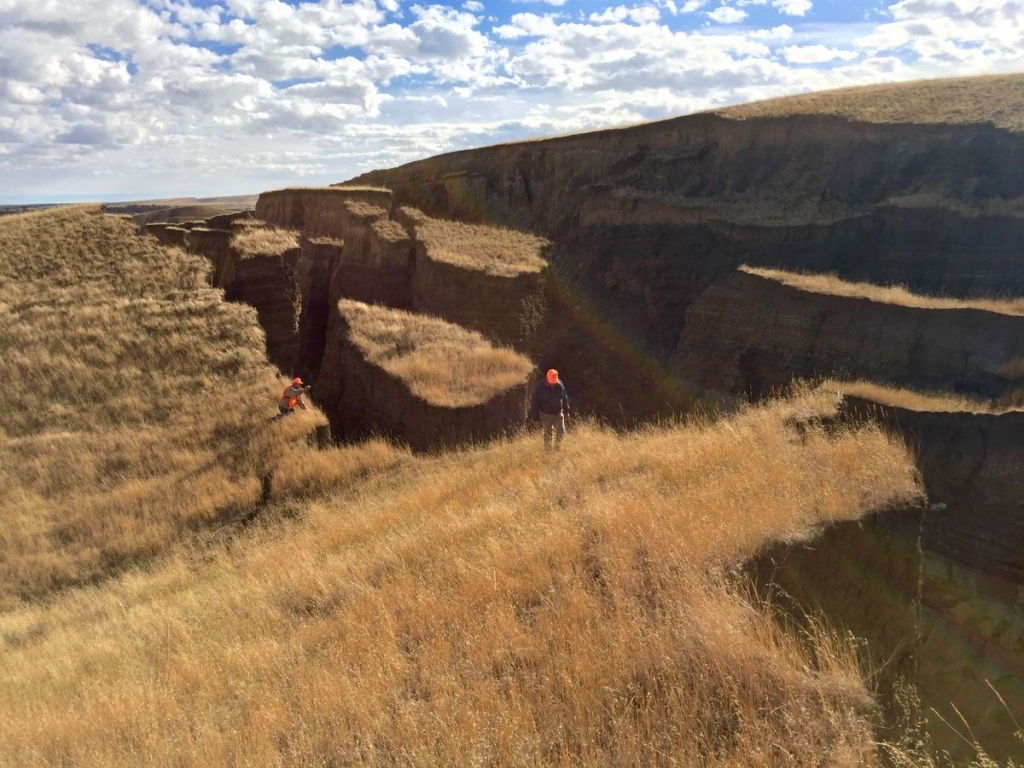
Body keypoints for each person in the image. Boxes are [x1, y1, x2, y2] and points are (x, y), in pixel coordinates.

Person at [530, 368, 570, 449]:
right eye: (551, 382)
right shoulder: (540, 387)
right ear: (547, 378)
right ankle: (548, 450)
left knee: (561, 431)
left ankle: (557, 447)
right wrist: (536, 419)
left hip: (559, 413)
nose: (553, 384)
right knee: (548, 434)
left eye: (554, 382)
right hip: (546, 415)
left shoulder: (560, 384)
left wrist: (566, 411)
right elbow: (534, 403)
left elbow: (564, 397)